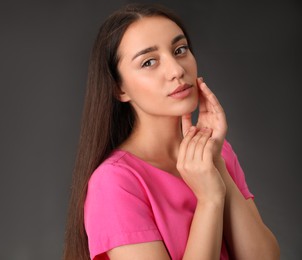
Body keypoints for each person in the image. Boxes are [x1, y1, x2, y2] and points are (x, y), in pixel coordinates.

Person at [64, 3, 279, 260]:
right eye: (149, 62)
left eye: (180, 50)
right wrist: (209, 199)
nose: (177, 70)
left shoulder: (217, 151)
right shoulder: (115, 183)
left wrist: (215, 162)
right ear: (120, 89)